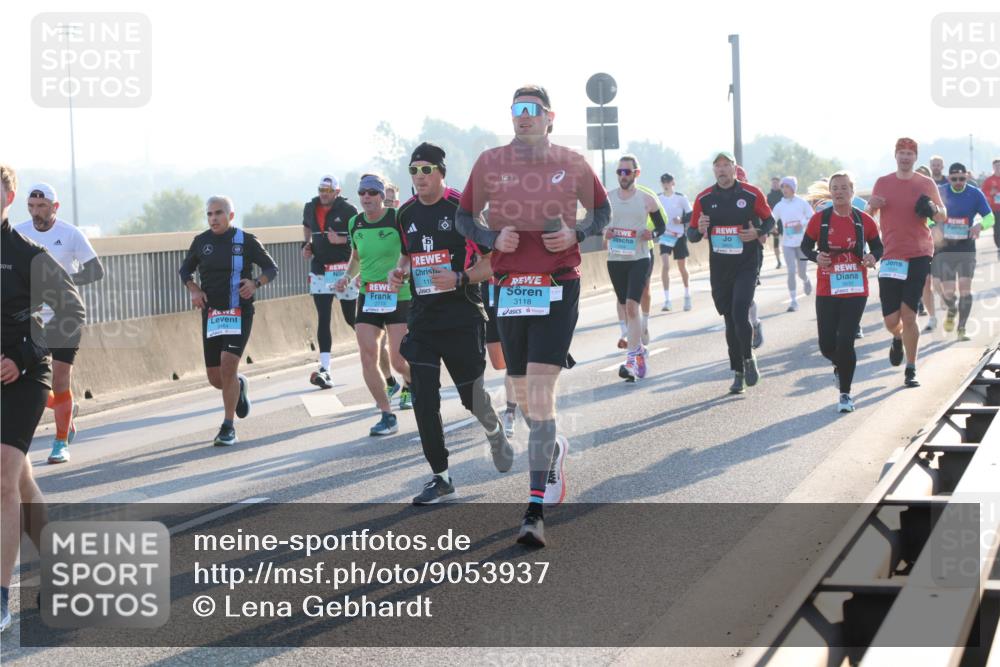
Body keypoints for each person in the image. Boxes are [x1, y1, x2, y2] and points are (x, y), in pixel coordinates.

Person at [456, 84, 610, 547]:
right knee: (525, 401)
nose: (522, 116)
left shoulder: (571, 161)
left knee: (540, 395)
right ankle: (553, 449)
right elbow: (464, 218)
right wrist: (488, 239)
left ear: (549, 117)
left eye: (531, 110)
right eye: (516, 110)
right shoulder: (491, 162)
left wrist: (577, 233)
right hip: (509, 290)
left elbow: (601, 212)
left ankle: (533, 511)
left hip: (558, 287)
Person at [388, 142, 514, 504]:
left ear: (441, 173)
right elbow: (408, 254)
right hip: (424, 321)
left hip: (462, 316)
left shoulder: (463, 209)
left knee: (472, 398)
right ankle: (440, 477)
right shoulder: (405, 213)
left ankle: (494, 434)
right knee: (424, 400)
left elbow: (494, 262)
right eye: (413, 170)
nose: (419, 177)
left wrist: (459, 278)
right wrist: (400, 271)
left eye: (426, 170)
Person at [2, 164, 85, 632]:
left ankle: (2, 598)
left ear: (8, 198)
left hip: (25, 374)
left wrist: (27, 352)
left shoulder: (25, 252)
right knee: (21, 481)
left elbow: (70, 309)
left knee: (2, 478)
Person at [15, 183, 104, 464]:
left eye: (42, 207)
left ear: (55, 207)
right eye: (31, 206)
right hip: (33, 318)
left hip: (66, 315)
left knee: (60, 378)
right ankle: (66, 410)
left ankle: (60, 441)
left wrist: (63, 285)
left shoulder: (70, 234)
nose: (36, 212)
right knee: (29, 382)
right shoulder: (18, 234)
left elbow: (95, 270)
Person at [179, 196, 278, 446]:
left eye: (219, 213)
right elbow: (185, 271)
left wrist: (255, 283)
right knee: (216, 378)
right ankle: (239, 385)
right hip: (212, 314)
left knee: (228, 364)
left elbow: (271, 269)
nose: (213, 218)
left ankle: (228, 426)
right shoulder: (201, 242)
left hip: (239, 312)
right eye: (210, 214)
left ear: (230, 215)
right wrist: (194, 289)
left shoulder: (245, 240)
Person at [687, 151, 775, 394]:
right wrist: (700, 229)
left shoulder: (751, 193)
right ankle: (737, 371)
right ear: (713, 170)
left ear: (734, 169)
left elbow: (770, 221)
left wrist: (757, 232)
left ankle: (748, 359)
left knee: (739, 310)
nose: (722, 170)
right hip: (720, 267)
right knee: (729, 320)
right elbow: (692, 235)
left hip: (747, 263)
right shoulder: (704, 198)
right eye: (718, 166)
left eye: (726, 165)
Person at [334, 174, 413, 436]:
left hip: (397, 294)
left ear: (381, 196)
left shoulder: (396, 218)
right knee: (368, 355)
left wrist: (403, 272)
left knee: (399, 361)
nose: (366, 197)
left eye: (371, 192)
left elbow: (410, 253)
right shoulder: (355, 223)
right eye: (362, 193)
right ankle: (386, 414)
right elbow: (355, 256)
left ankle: (412, 382)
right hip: (368, 295)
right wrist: (347, 276)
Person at [867, 138, 947, 388]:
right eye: (901, 153)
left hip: (918, 253)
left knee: (909, 315)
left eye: (909, 153)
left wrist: (932, 208)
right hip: (891, 256)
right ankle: (898, 337)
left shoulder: (925, 183)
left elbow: (942, 214)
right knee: (892, 320)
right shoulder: (883, 182)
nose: (905, 157)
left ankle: (911, 368)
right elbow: (868, 217)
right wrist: (872, 206)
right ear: (895, 155)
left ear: (915, 157)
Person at [801, 172, 883, 412]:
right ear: (830, 192)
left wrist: (871, 256)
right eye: (834, 188)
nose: (839, 191)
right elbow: (806, 246)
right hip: (827, 288)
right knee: (827, 344)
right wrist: (817, 257)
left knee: (845, 341)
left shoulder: (864, 220)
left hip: (856, 289)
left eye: (843, 187)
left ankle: (845, 394)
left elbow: (878, 246)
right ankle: (842, 366)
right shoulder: (820, 220)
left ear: (852, 191)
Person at [606, 156, 666, 381]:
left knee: (632, 306)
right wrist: (606, 232)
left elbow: (661, 226)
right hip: (616, 259)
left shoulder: (647, 199)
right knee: (624, 305)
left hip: (640, 258)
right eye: (619, 172)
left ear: (636, 173)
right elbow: (599, 222)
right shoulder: (608, 198)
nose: (623, 176)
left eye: (627, 172)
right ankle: (639, 350)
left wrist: (653, 234)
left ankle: (631, 360)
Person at [932, 163, 994, 341]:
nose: (958, 182)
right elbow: (928, 216)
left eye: (962, 178)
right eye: (954, 179)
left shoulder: (974, 193)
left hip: (966, 248)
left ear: (967, 177)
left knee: (965, 289)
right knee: (949, 292)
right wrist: (932, 228)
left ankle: (962, 329)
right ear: (948, 177)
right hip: (945, 249)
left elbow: (990, 217)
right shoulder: (940, 192)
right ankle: (951, 309)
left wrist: (979, 225)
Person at [770, 176, 814, 311]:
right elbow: (771, 219)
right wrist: (772, 227)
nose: (784, 189)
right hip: (787, 243)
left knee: (801, 272)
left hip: (802, 243)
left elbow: (812, 217)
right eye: (783, 187)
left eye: (787, 187)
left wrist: (801, 224)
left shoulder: (802, 203)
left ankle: (806, 280)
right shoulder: (779, 205)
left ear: (793, 188)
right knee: (790, 271)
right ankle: (794, 301)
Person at [657, 173, 693, 311]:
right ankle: (667, 300)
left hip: (679, 235)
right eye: (663, 182)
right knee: (665, 265)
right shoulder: (658, 198)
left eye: (668, 181)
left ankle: (687, 295)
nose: (666, 184)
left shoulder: (681, 197)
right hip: (665, 235)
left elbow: (691, 214)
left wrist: (682, 220)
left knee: (682, 267)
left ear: (673, 182)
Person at [981, 158, 1000, 258]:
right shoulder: (989, 180)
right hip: (995, 209)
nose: (998, 168)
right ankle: (999, 245)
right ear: (993, 167)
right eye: (996, 166)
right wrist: (990, 193)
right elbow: (983, 194)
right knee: (997, 229)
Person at [767, 176, 784, 269]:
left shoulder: (784, 194)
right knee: (776, 242)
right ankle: (778, 261)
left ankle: (791, 258)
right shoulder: (769, 196)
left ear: (779, 184)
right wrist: (772, 224)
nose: (774, 184)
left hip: (785, 221)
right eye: (773, 183)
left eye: (776, 183)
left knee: (787, 241)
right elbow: (768, 210)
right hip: (774, 222)